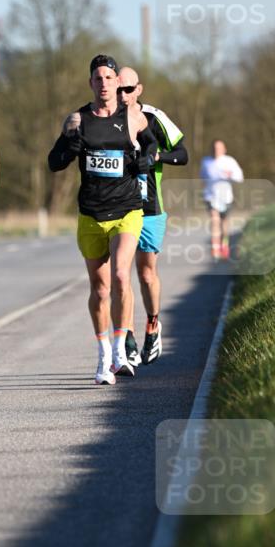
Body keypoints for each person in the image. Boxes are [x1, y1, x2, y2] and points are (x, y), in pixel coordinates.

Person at [48, 54, 157, 385]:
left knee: (122, 275)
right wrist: (71, 147)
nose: (105, 84)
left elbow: (152, 145)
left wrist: (146, 161)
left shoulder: (133, 116)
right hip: (91, 214)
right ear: (91, 83)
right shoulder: (77, 120)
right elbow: (54, 162)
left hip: (127, 209)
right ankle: (103, 354)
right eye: (98, 79)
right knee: (100, 287)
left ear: (116, 82)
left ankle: (122, 349)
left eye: (109, 78)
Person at [117, 67, 188, 367]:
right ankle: (127, 339)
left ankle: (152, 325)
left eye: (128, 89)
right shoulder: (104, 119)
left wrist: (159, 157)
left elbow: (183, 154)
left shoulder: (154, 118)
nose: (123, 95)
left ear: (139, 90)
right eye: (119, 89)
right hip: (117, 207)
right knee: (120, 275)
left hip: (149, 207)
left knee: (146, 274)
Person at [199, 140, 244, 259]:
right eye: (214, 148)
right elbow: (202, 177)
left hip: (226, 197)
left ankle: (224, 244)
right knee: (215, 220)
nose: (216, 150)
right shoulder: (206, 161)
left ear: (224, 149)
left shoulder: (229, 161)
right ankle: (215, 247)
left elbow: (240, 177)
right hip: (210, 196)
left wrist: (230, 175)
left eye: (219, 148)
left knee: (224, 222)